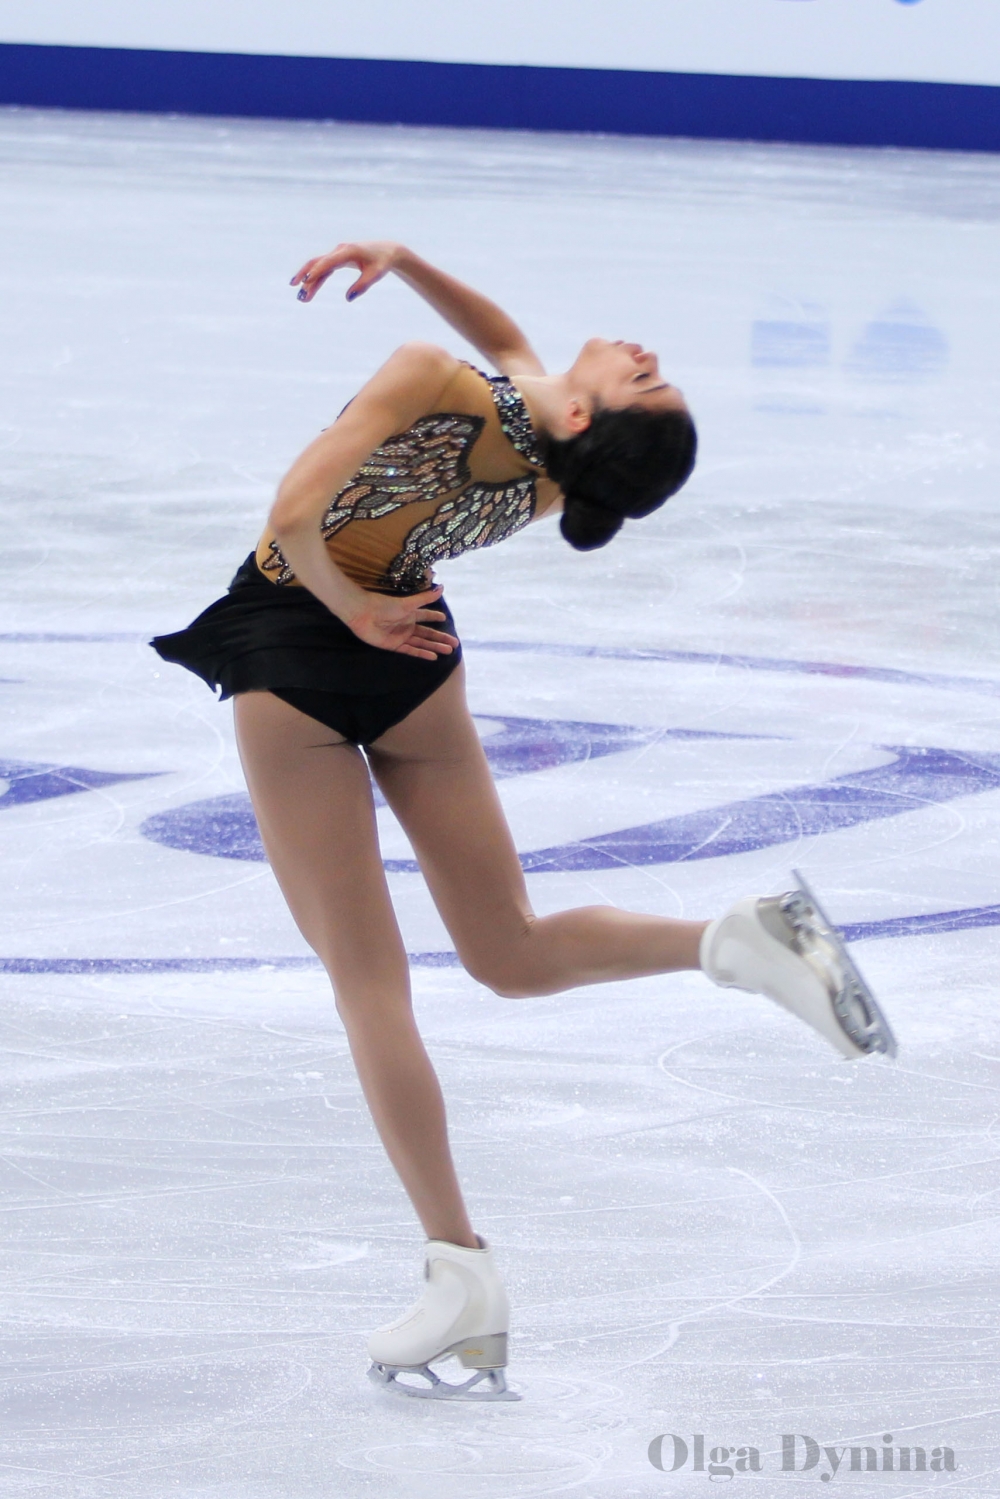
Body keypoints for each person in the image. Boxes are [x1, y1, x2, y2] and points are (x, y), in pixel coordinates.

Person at [152, 242, 895, 1401]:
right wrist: (404, 260)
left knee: (368, 981)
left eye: (650, 379)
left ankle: (460, 1269)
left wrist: (348, 607)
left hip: (301, 642)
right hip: (421, 659)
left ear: (589, 408)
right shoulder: (551, 468)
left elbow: (294, 512)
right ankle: (733, 937)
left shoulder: (426, 379)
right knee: (509, 948)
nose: (650, 356)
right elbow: (509, 352)